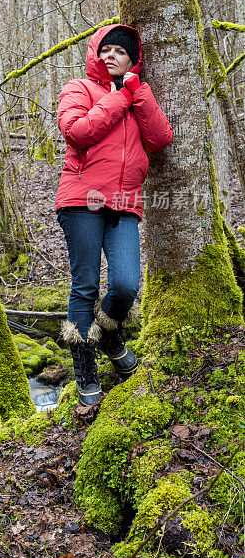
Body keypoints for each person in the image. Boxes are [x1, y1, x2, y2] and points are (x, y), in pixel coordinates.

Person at [56, 24, 173, 406]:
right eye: (105, 49)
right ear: (95, 54)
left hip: (124, 201)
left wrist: (137, 94)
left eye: (120, 52)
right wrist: (119, 97)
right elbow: (76, 131)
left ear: (132, 60)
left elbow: (159, 139)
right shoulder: (79, 89)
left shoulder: (138, 93)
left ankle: (108, 334)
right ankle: (85, 369)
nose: (111, 56)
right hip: (81, 199)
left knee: (125, 284)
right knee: (85, 285)